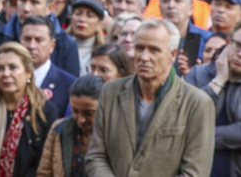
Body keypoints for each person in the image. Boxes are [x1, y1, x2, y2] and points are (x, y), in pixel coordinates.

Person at [86, 19, 216, 176]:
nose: (144, 57)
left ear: (172, 55)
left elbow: (195, 172)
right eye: (139, 48)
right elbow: (96, 156)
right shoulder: (111, 91)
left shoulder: (197, 103)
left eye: (154, 50)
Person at [0, 42, 58, 177]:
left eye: (13, 67)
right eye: (0, 68)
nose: (6, 74)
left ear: (28, 72)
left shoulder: (44, 111)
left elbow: (43, 162)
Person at [183, 21, 241, 176]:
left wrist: (198, 137)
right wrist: (219, 81)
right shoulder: (198, 74)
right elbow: (185, 119)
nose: (240, 54)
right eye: (238, 46)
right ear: (229, 43)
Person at [37, 75, 105, 177]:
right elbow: (44, 172)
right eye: (75, 111)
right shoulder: (59, 129)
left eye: (89, 113)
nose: (81, 119)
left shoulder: (118, 134)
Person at [20, 15, 76, 116]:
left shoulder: (69, 84)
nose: (32, 46)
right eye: (27, 39)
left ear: (52, 45)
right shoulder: (7, 78)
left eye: (39, 40)